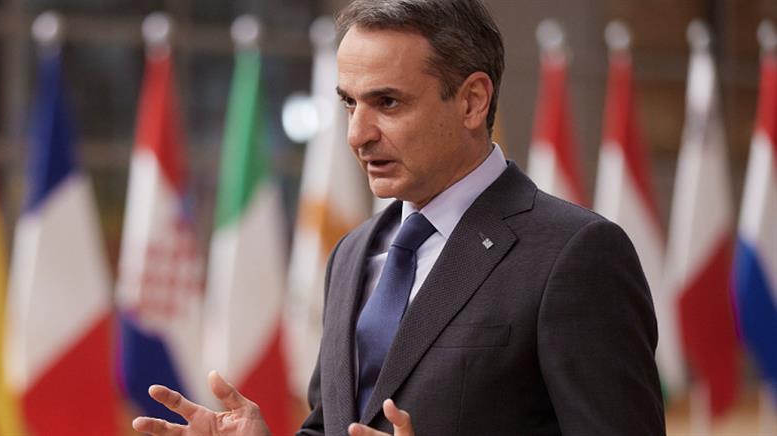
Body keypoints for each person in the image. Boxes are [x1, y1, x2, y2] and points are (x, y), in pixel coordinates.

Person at [132, 0, 665, 434]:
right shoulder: (351, 253)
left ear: (472, 101)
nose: (357, 134)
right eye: (349, 103)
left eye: (387, 103)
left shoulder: (576, 253)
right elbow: (336, 427)